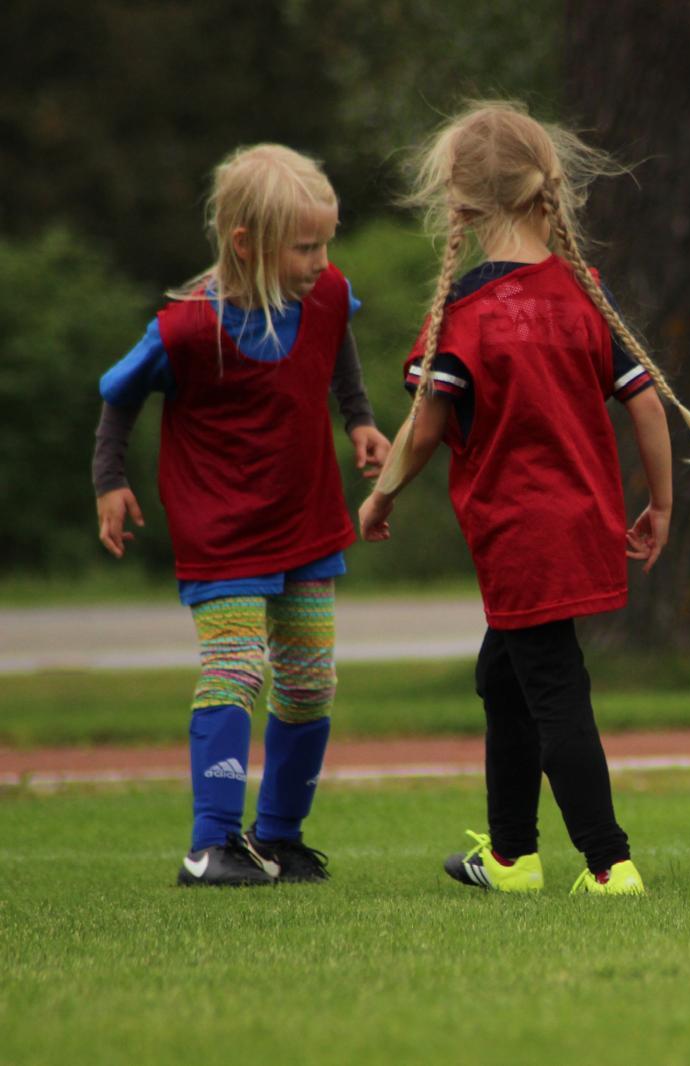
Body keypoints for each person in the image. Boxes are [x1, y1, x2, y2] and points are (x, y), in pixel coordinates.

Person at [358, 100, 690, 897]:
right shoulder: (579, 293)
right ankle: (511, 857)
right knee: (505, 676)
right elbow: (646, 402)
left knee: (553, 691)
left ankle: (610, 864)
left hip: (520, 536)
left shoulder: (468, 315)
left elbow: (423, 427)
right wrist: (660, 503)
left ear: (460, 199)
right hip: (582, 523)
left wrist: (380, 496)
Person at [94, 144, 389, 886]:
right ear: (245, 242)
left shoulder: (325, 296)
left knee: (310, 681)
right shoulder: (187, 327)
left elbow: (337, 344)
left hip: (307, 521)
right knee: (235, 670)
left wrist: (358, 418)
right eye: (304, 246)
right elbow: (119, 393)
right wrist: (109, 479)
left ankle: (279, 838)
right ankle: (212, 845)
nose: (322, 260)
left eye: (326, 242)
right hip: (222, 529)